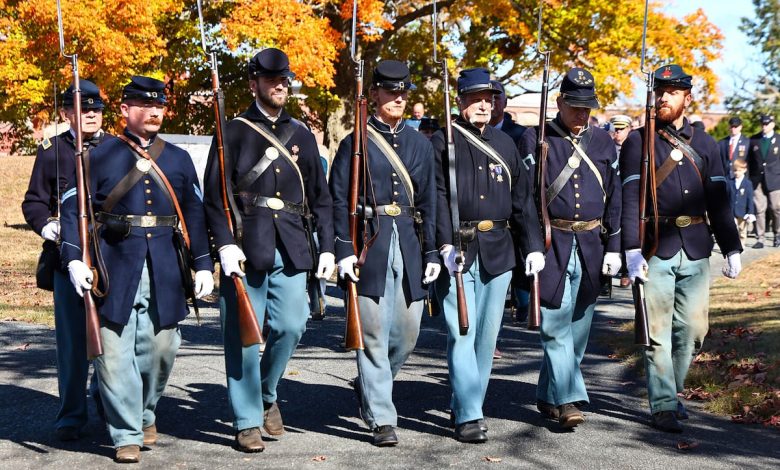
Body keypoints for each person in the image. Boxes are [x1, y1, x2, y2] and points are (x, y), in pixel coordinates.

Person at [60, 76, 214, 462]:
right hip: (114, 265)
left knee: (161, 350)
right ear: (126, 111)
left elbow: (194, 212)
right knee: (112, 352)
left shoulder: (177, 159)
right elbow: (72, 209)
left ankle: (145, 412)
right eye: (145, 106)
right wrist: (74, 257)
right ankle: (126, 432)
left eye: (160, 105)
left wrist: (203, 264)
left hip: (165, 266)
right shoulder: (99, 155)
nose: (155, 111)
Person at [203, 48, 335, 453]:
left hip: (293, 246)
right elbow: (214, 196)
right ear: (254, 83)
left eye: (284, 80)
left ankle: (265, 392)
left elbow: (322, 197)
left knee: (293, 325)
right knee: (242, 335)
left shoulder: (301, 135)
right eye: (272, 80)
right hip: (246, 247)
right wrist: (224, 244)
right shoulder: (233, 131)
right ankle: (246, 420)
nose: (280, 86)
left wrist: (327, 247)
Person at [621, 64, 742, 433]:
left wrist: (732, 247)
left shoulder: (705, 144)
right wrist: (630, 248)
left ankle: (672, 393)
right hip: (655, 247)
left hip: (697, 246)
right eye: (659, 91)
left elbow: (720, 200)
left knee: (693, 330)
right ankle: (663, 405)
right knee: (656, 330)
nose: (663, 98)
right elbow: (628, 199)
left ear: (687, 98)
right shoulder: (637, 141)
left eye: (671, 92)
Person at [432, 68, 544, 443]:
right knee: (461, 332)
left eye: (489, 98)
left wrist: (533, 247)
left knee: (486, 337)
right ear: (460, 100)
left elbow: (522, 201)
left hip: (499, 249)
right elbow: (436, 199)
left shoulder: (505, 143)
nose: (484, 104)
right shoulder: (441, 141)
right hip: (459, 249)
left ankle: (469, 404)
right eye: (476, 98)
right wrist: (443, 245)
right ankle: (468, 414)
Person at [331, 60, 439, 447]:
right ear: (374, 94)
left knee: (407, 335)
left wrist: (432, 253)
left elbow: (430, 202)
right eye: (389, 91)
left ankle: (371, 384)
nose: (396, 98)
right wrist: (342, 248)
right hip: (369, 246)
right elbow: (337, 200)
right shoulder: (354, 141)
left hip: (409, 243)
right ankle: (381, 417)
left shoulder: (419, 144)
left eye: (402, 93)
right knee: (373, 333)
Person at [519, 68, 622, 429]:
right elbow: (528, 198)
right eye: (575, 106)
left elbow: (616, 196)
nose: (582, 114)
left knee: (577, 332)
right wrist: (532, 245)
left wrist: (616, 246)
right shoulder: (536, 138)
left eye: (587, 107)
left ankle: (549, 395)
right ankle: (568, 400)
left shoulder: (604, 142)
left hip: (593, 243)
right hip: (553, 244)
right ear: (559, 102)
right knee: (555, 328)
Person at [22, 80, 109, 442]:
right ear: (65, 113)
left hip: (111, 256)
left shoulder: (118, 149)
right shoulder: (52, 151)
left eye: (96, 109)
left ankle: (108, 402)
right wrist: (49, 227)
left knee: (114, 337)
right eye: (82, 109)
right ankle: (72, 414)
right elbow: (33, 202)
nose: (90, 115)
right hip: (66, 258)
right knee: (73, 343)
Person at [747, 114, 780, 248]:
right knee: (760, 209)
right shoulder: (754, 140)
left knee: (776, 208)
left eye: (767, 124)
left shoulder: (779, 139)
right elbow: (749, 160)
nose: (764, 126)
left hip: (775, 179)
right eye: (762, 124)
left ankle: (777, 234)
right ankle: (760, 238)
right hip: (757, 179)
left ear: (772, 124)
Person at [609, 114, 633, 288]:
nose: (618, 132)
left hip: (626, 196)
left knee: (626, 232)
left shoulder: (634, 147)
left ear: (629, 129)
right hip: (609, 195)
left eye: (621, 128)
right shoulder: (606, 147)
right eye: (615, 128)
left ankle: (625, 270)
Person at [731, 159, 756, 241]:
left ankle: (742, 246)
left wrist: (750, 212)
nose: (737, 172)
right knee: (733, 230)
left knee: (742, 231)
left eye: (739, 170)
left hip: (743, 212)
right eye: (735, 170)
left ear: (744, 170)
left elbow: (750, 199)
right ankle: (734, 247)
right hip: (732, 211)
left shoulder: (748, 183)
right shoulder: (729, 182)